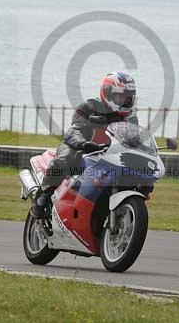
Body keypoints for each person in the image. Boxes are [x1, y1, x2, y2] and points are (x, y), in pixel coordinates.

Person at [31, 72, 138, 218]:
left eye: (129, 98)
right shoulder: (89, 107)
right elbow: (75, 130)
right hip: (81, 147)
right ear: (108, 93)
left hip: (109, 155)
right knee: (66, 158)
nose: (126, 102)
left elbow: (134, 139)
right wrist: (83, 143)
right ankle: (42, 195)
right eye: (122, 97)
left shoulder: (130, 118)